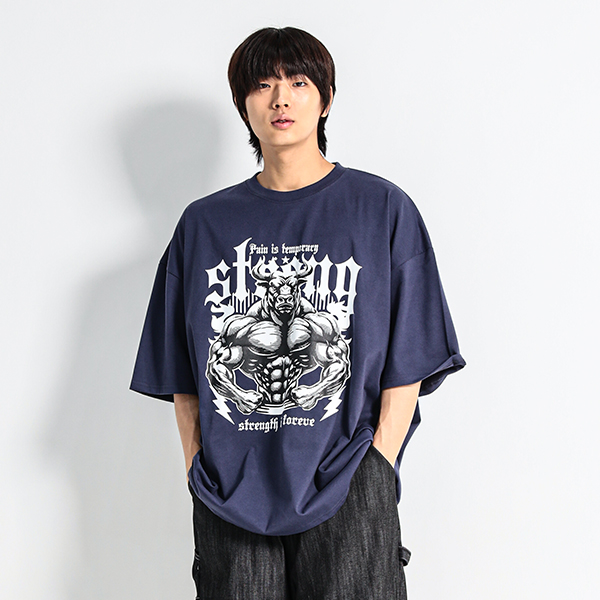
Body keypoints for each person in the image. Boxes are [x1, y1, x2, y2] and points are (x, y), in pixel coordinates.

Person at [129, 26, 466, 599]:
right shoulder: (203, 225)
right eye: (263, 85)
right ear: (244, 104)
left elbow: (412, 350)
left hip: (348, 475)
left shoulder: (382, 208)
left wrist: (377, 463)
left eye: (299, 82)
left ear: (325, 99)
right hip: (231, 490)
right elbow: (180, 368)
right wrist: (197, 463)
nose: (280, 98)